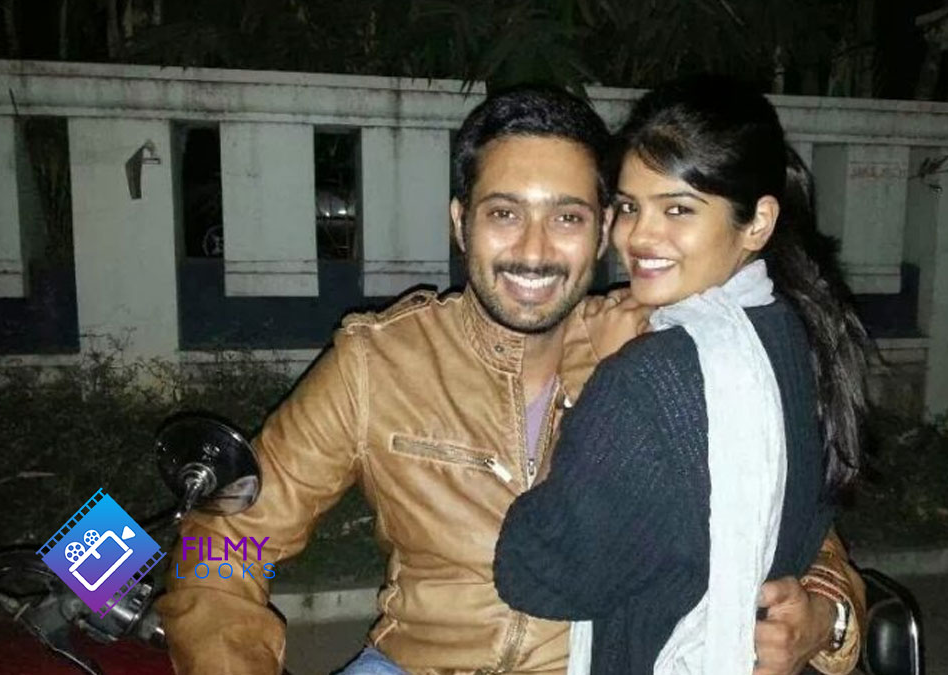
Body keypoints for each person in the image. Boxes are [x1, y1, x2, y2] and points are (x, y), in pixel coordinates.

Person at [156, 85, 865, 675]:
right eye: (504, 214)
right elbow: (232, 535)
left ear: (602, 231)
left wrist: (826, 617)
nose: (533, 250)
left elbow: (790, 514)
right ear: (461, 223)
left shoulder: (658, 353)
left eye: (567, 217)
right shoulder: (380, 361)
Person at [494, 77, 870, 675]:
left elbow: (538, 574)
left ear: (758, 222)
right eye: (629, 207)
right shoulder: (794, 332)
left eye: (678, 209)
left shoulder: (648, 376)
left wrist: (605, 379)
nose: (638, 236)